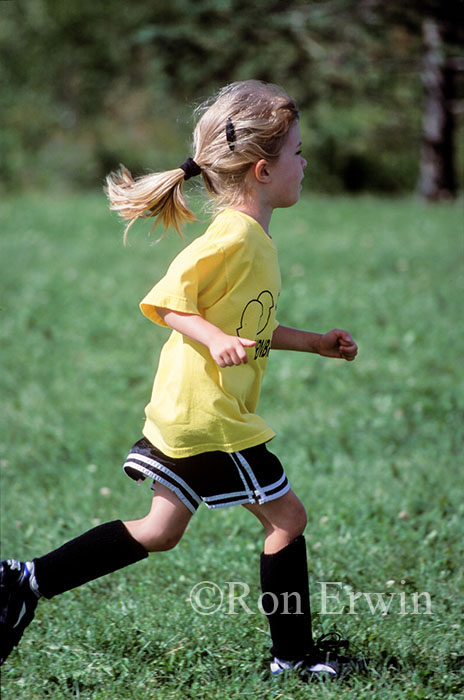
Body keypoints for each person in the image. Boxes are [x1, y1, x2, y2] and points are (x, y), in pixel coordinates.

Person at [0, 80, 362, 681]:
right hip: (213, 417)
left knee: (159, 530)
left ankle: (22, 580)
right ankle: (292, 660)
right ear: (264, 170)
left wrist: (314, 342)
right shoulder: (236, 236)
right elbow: (167, 300)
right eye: (298, 152)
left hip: (187, 411)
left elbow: (251, 325)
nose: (305, 162)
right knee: (287, 520)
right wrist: (214, 339)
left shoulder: (254, 237)